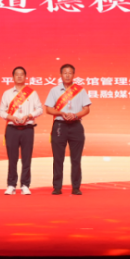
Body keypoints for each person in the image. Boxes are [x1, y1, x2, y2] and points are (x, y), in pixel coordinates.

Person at [44, 64, 91, 195]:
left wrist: (75, 115)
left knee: (76, 159)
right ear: (61, 75)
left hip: (76, 125)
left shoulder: (80, 90)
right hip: (60, 125)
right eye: (65, 73)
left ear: (73, 75)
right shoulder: (54, 90)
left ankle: (76, 187)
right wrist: (61, 113)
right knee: (58, 158)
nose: (67, 75)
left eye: (70, 73)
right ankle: (57, 187)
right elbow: (48, 109)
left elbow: (86, 109)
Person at [0, 66, 44, 195]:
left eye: (21, 74)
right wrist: (10, 117)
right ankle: (11, 185)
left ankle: (25, 185)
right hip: (12, 128)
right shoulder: (7, 93)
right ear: (13, 77)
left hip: (27, 129)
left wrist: (29, 116)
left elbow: (40, 109)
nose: (19, 76)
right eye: (17, 74)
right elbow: (0, 111)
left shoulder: (32, 93)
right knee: (12, 159)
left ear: (25, 77)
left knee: (26, 158)